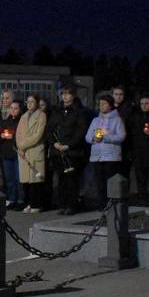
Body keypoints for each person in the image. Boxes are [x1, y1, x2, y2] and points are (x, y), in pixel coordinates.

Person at [48, 85, 90, 215]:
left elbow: (81, 131)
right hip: (57, 151)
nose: (65, 96)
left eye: (68, 94)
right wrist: (54, 143)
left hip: (72, 152)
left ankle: (72, 205)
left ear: (73, 95)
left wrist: (69, 145)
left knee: (71, 179)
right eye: (63, 94)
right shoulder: (57, 111)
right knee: (61, 180)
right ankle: (63, 204)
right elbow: (50, 129)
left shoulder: (79, 112)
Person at [86, 95, 127, 210]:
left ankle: (111, 203)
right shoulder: (95, 120)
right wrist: (94, 138)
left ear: (110, 105)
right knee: (99, 181)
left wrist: (106, 137)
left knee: (110, 181)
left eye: (104, 104)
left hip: (111, 156)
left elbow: (121, 136)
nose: (101, 106)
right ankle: (101, 203)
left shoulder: (117, 120)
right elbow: (87, 136)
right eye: (100, 104)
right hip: (97, 155)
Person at [17, 95, 47, 214]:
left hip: (34, 150)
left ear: (37, 103)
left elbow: (37, 135)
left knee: (35, 180)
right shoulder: (23, 116)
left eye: (32, 101)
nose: (29, 104)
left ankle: (36, 204)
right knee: (26, 180)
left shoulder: (41, 115)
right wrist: (20, 146)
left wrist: (23, 146)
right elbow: (18, 133)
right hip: (23, 151)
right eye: (28, 101)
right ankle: (29, 203)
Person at [0, 100, 24, 210]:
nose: (13, 110)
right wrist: (1, 136)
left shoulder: (21, 122)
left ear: (20, 110)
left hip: (16, 153)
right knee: (9, 179)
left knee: (19, 179)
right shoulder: (5, 122)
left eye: (16, 108)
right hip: (6, 153)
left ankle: (21, 200)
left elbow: (21, 137)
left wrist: (11, 137)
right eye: (11, 108)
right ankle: (12, 199)